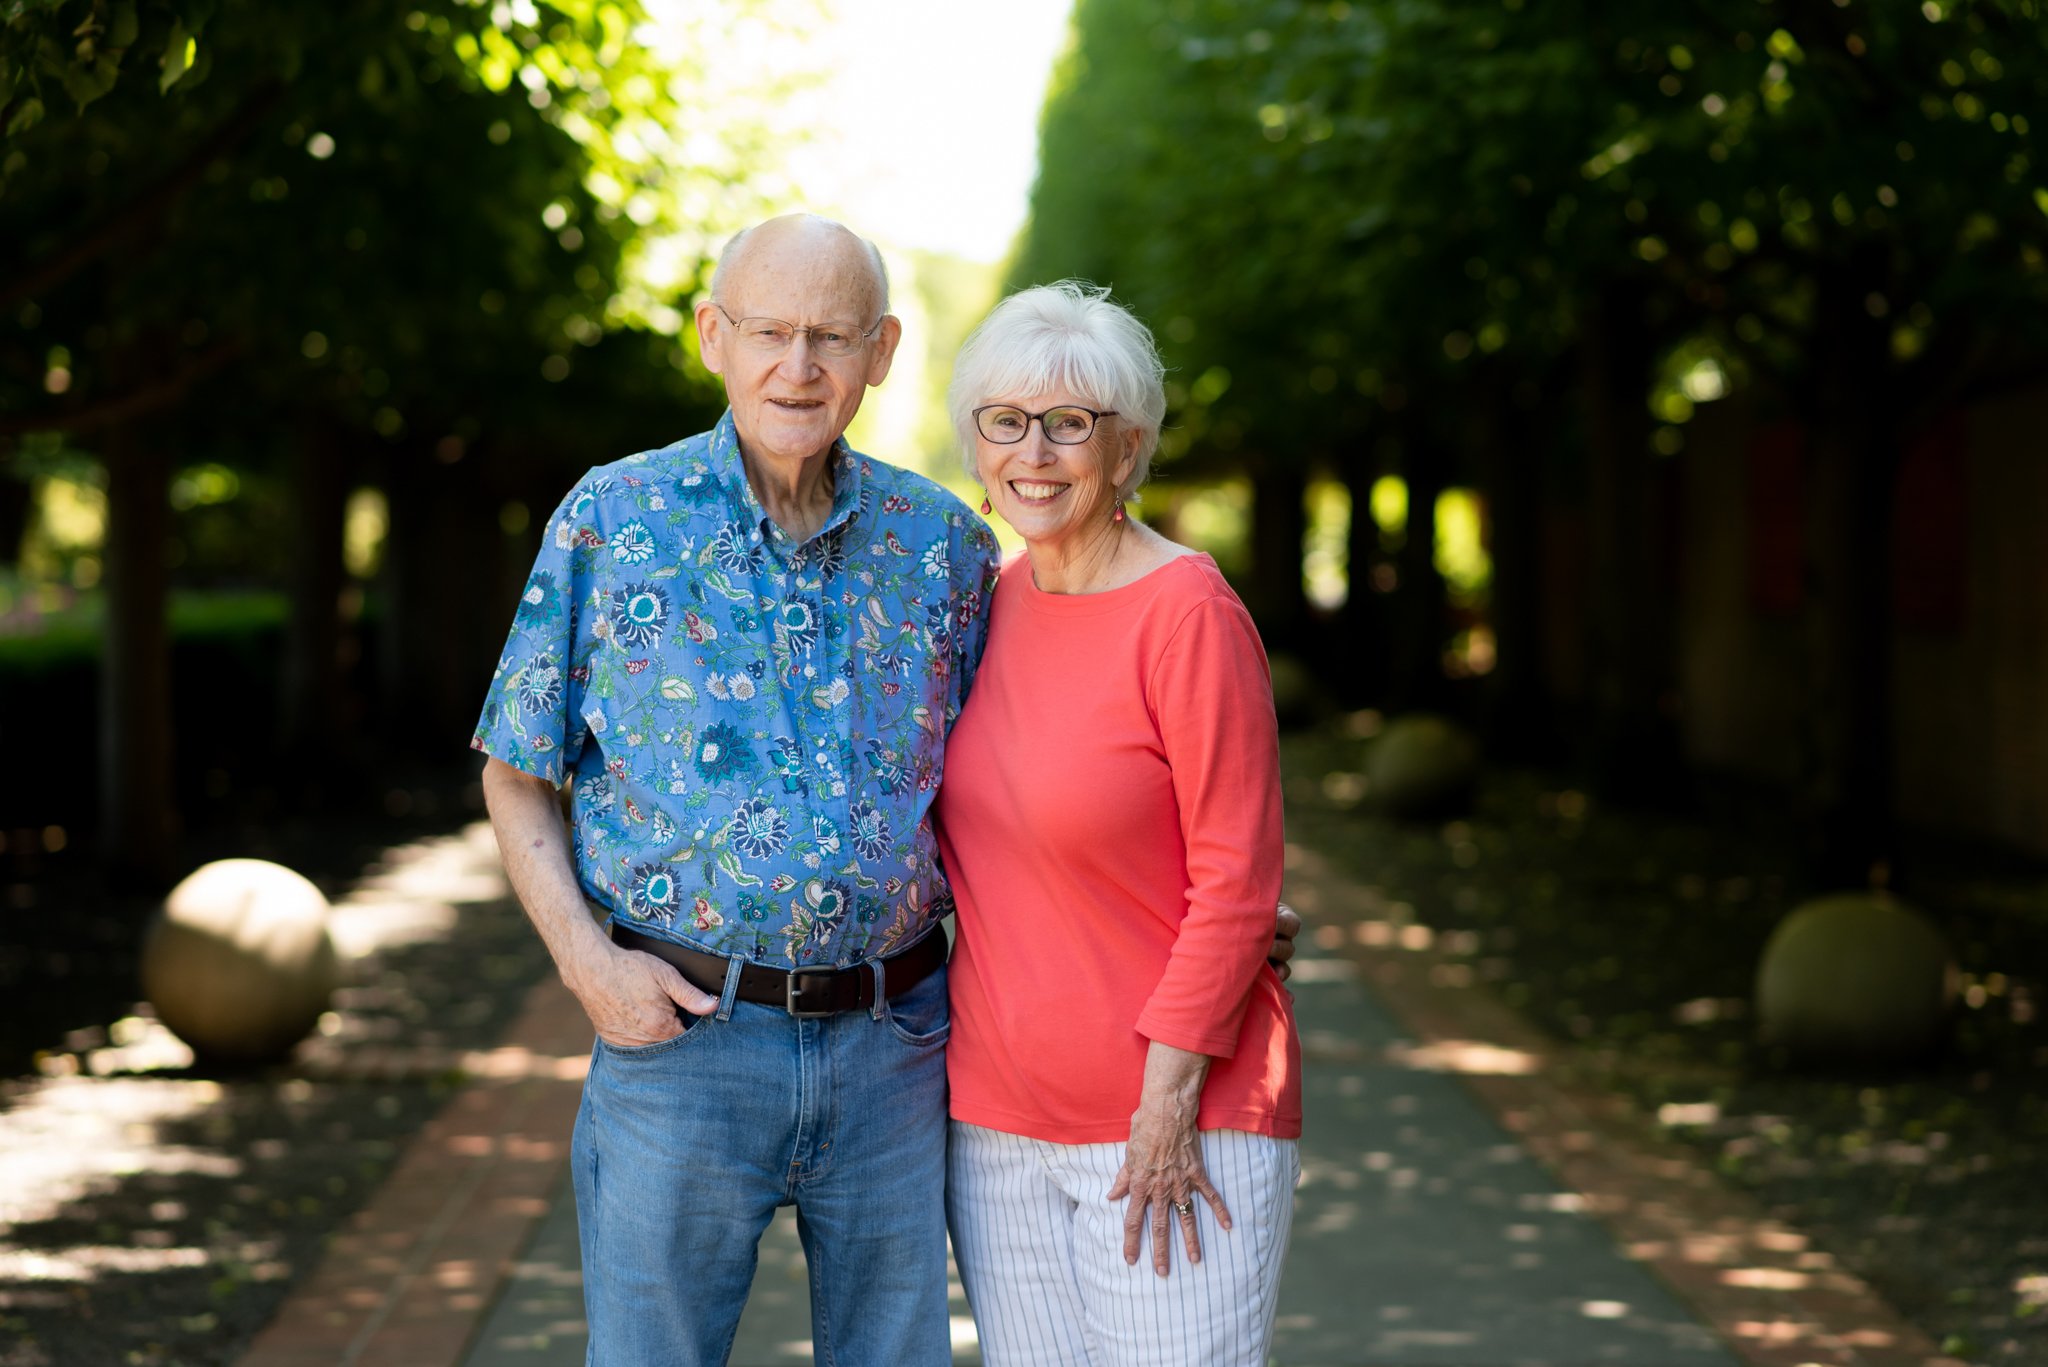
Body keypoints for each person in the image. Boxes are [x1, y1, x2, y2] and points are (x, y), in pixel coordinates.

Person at [473, 216, 1302, 1365]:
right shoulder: (614, 519)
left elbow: (1037, 761)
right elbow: (514, 771)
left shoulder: (946, 548)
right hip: (682, 1043)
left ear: (882, 351)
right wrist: (587, 963)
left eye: (830, 336)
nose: (797, 366)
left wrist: (1215, 904)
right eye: (768, 331)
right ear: (715, 335)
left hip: (897, 1050)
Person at [936, 281, 1302, 1366]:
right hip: (995, 1120)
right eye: (1004, 420)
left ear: (1126, 446)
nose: (1033, 452)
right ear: (975, 443)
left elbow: (1235, 880)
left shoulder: (1188, 612)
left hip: (1173, 1120)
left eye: (1069, 424)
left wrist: (1163, 1103)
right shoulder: (985, 603)